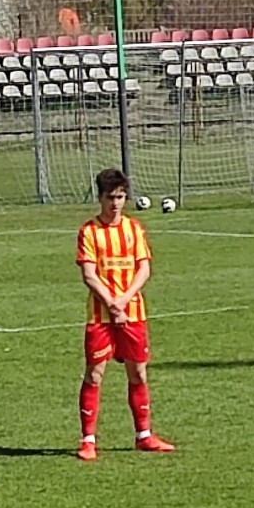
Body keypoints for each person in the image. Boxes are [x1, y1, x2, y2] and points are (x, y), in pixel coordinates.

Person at [76, 167, 174, 460]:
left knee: (138, 373)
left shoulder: (135, 229)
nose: (116, 203)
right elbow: (89, 275)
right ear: (100, 197)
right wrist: (112, 304)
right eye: (110, 197)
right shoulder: (89, 232)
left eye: (120, 197)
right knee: (94, 374)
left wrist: (124, 300)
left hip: (133, 313)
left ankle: (144, 435)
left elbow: (144, 268)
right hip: (101, 316)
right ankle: (88, 440)